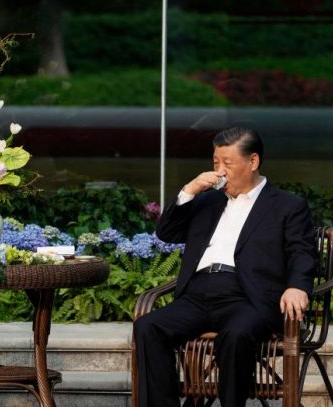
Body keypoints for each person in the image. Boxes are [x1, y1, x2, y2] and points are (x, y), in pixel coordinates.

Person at [133, 126, 317, 407]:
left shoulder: (287, 206)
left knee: (236, 335)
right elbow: (166, 232)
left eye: (227, 164)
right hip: (197, 294)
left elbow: (301, 251)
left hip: (247, 298)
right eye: (215, 163)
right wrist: (190, 190)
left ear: (253, 162)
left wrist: (297, 286)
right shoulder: (207, 200)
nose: (220, 171)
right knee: (148, 326)